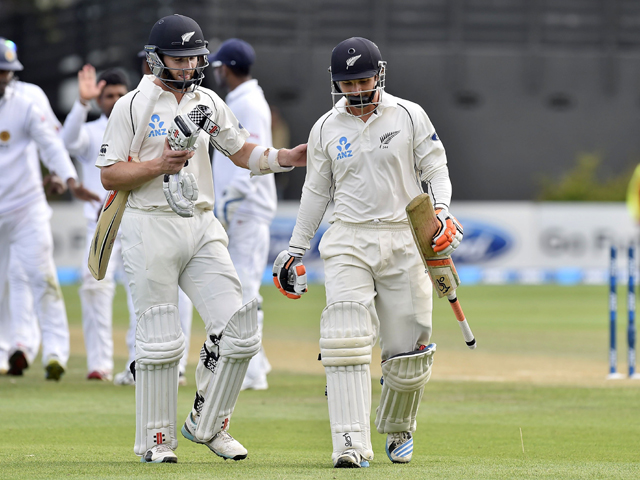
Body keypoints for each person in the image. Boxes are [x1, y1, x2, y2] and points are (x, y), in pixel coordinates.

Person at [97, 14, 306, 463]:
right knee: (159, 340)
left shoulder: (208, 101)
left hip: (201, 224)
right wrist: (157, 166)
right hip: (147, 223)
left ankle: (209, 423)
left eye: (195, 56)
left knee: (239, 328)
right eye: (181, 56)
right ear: (157, 59)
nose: (191, 64)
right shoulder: (131, 105)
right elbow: (110, 173)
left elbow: (242, 149)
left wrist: (284, 157)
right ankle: (156, 441)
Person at [272, 37, 463, 468]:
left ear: (379, 75)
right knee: (346, 336)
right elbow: (315, 193)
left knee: (408, 349)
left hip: (404, 238)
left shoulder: (410, 115)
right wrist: (293, 250)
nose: (355, 91)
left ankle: (398, 428)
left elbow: (436, 169)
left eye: (362, 80)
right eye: (346, 83)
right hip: (347, 240)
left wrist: (443, 212)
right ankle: (350, 444)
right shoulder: (324, 127)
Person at [62, 64, 195, 384]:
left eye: (120, 94)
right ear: (100, 98)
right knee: (94, 288)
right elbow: (66, 141)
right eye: (108, 96)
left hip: (140, 216)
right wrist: (81, 103)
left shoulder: (145, 121)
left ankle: (145, 362)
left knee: (149, 292)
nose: (114, 100)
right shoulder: (92, 129)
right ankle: (99, 364)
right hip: (103, 224)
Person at [0, 37, 96, 380]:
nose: (2, 78)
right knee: (5, 282)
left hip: (26, 206)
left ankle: (55, 353)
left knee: (41, 277)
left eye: (6, 72)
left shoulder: (28, 99)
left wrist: (67, 179)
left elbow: (51, 145)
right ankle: (10, 349)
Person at [210, 38, 274, 390]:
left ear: (229, 67)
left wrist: (228, 205)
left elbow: (253, 157)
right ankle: (257, 362)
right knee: (239, 286)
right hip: (239, 207)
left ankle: (252, 372)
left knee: (245, 287)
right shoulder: (242, 100)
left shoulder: (249, 104)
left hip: (245, 209)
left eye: (220, 66)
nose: (217, 72)